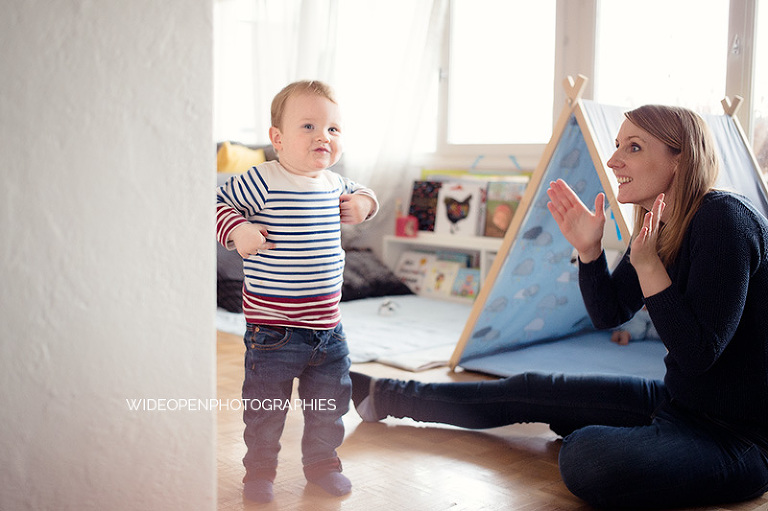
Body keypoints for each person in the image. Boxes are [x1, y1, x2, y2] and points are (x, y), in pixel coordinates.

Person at [349, 104, 768, 509]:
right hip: (679, 404)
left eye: (633, 147)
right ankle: (384, 395)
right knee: (531, 388)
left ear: (681, 159)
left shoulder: (723, 220)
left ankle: (608, 433)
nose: (613, 159)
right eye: (618, 145)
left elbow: (697, 354)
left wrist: (649, 265)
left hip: (737, 439)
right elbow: (610, 312)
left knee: (587, 457)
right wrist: (589, 251)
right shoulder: (660, 221)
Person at [216, 80, 378, 503]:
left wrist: (365, 205)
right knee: (265, 410)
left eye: (333, 129)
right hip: (274, 332)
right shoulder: (263, 180)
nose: (323, 136)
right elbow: (213, 203)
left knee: (329, 406)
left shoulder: (334, 183)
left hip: (328, 331)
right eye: (309, 126)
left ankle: (323, 465)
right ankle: (260, 472)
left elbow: (365, 193)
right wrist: (238, 230)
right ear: (277, 139)